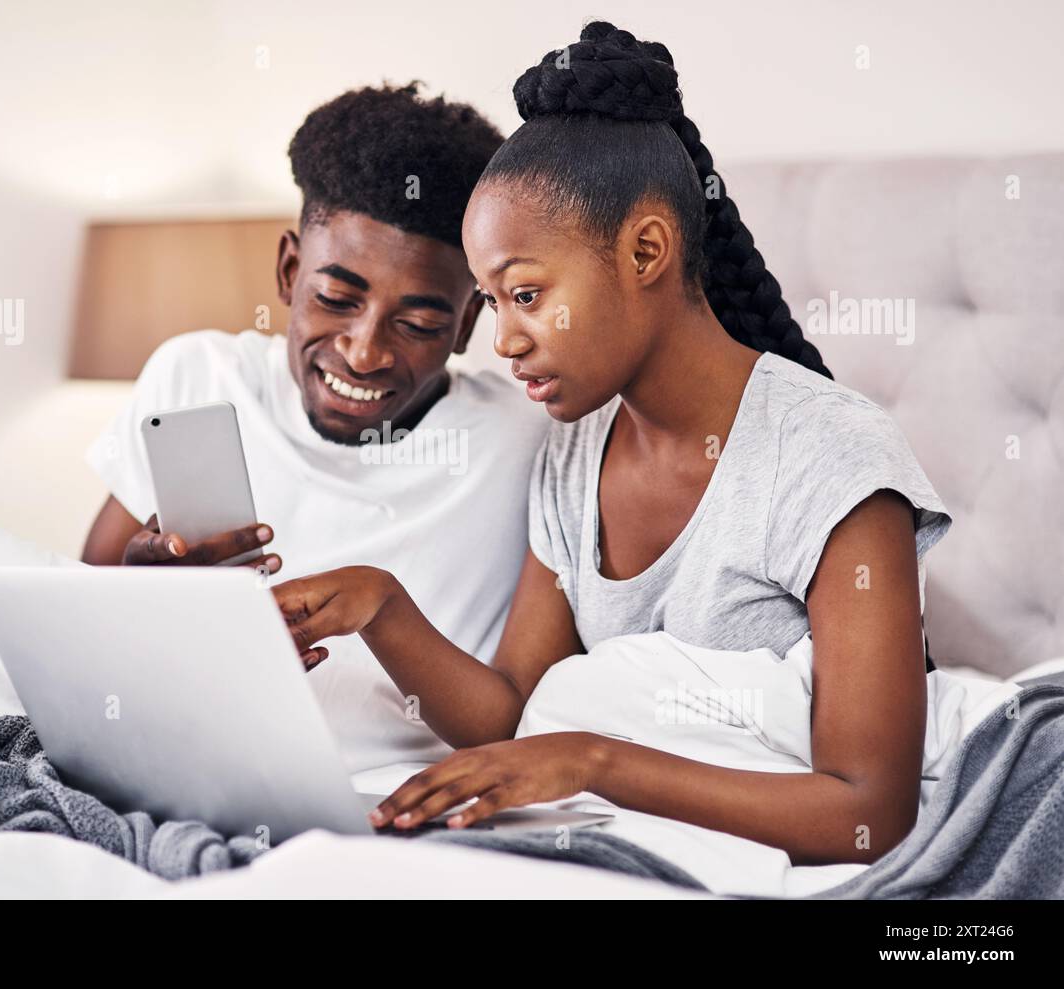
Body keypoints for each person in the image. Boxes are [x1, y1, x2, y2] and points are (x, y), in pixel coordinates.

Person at [271, 23, 952, 866]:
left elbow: (869, 812)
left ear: (646, 251)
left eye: (526, 293)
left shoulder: (829, 457)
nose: (505, 342)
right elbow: (512, 713)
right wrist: (380, 604)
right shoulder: (575, 448)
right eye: (493, 301)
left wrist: (593, 759)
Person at [81, 83, 548, 771]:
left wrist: (383, 607)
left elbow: (512, 723)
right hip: (178, 761)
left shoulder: (526, 442)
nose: (364, 352)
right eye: (335, 299)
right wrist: (142, 589)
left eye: (418, 324)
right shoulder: (199, 376)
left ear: (467, 323)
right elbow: (80, 621)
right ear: (289, 270)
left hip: (376, 797)